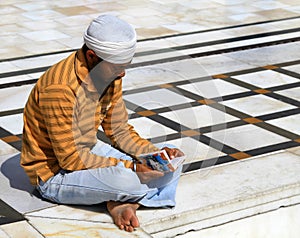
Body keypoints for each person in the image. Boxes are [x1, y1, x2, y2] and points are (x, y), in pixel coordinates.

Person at [21, 14, 184, 232]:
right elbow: (69, 159)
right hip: (55, 174)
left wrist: (156, 155)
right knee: (127, 181)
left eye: (126, 65)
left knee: (172, 164)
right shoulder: (59, 89)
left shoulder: (110, 75)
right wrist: (133, 168)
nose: (123, 73)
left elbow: (119, 131)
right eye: (118, 67)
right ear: (91, 56)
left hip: (90, 150)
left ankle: (122, 201)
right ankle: (123, 195)